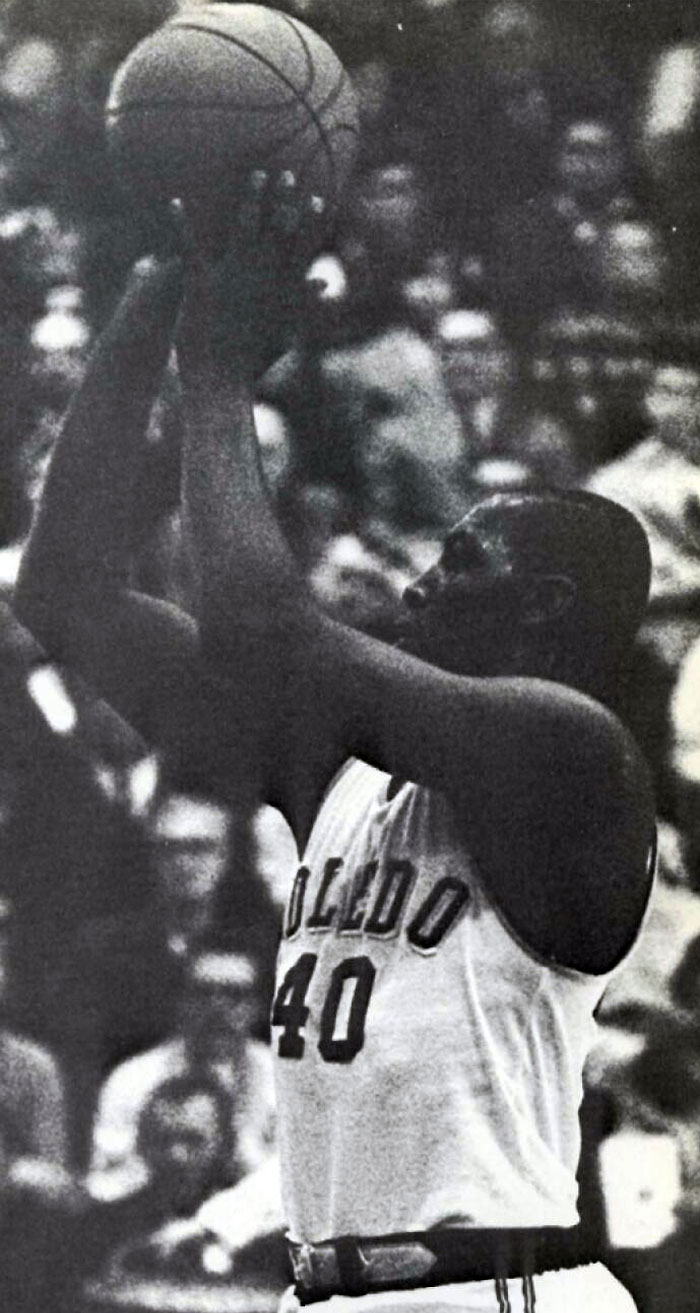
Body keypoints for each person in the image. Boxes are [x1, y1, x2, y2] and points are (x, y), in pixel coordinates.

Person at [15, 175, 655, 1312]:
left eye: (463, 564)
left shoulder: (567, 751)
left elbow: (263, 623)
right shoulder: (338, 771)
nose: (416, 580)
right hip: (327, 1283)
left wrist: (215, 369)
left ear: (547, 607)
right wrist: (155, 291)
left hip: (495, 1285)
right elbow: (64, 587)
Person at [89, 949, 275, 1201]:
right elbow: (105, 1181)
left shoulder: (286, 1081)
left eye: (234, 995)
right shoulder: (133, 1079)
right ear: (181, 1002)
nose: (217, 1007)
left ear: (258, 1007)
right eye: (203, 993)